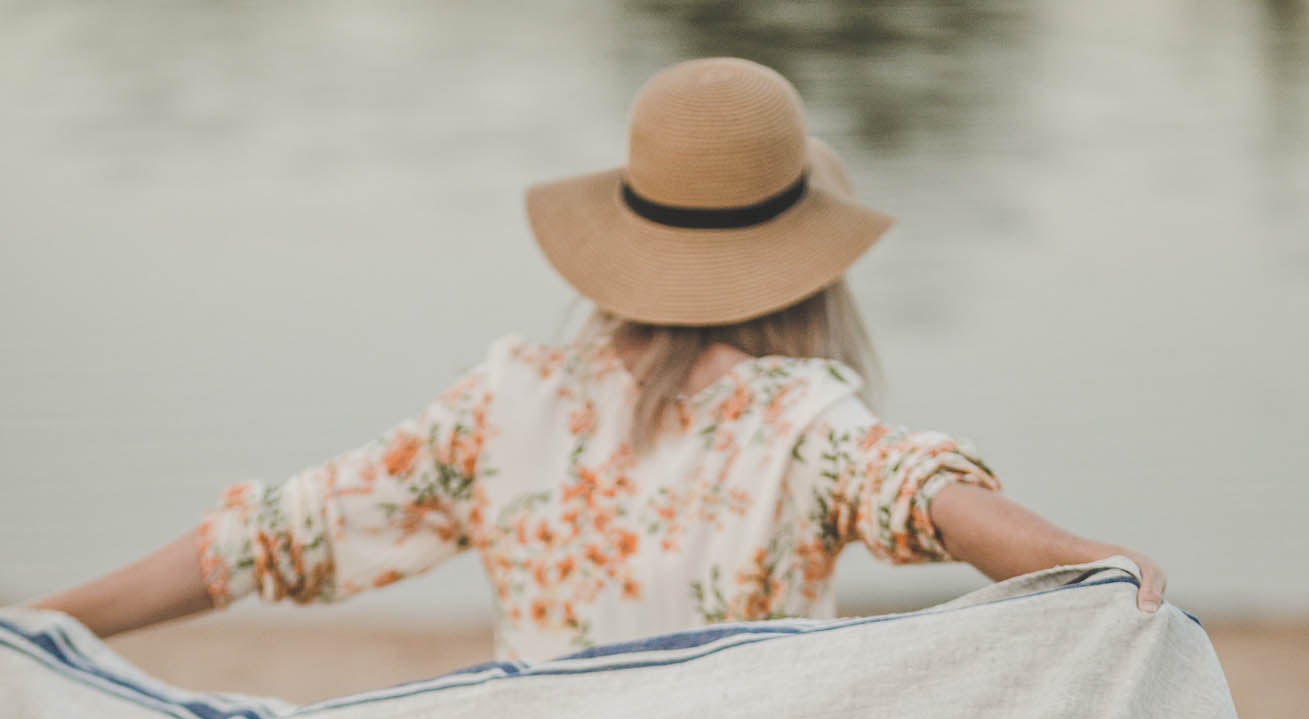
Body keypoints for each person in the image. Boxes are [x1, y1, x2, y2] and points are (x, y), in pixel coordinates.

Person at [33, 56, 1165, 659]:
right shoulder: (795, 423)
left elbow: (265, 542)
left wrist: (43, 625)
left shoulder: (509, 401)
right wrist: (1084, 560)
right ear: (806, 262)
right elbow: (930, 497)